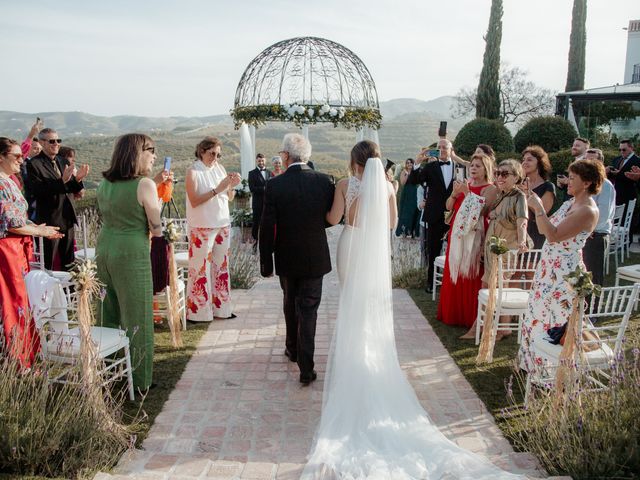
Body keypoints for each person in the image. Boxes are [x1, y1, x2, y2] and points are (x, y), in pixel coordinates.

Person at [302, 141, 524, 479]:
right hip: (374, 251)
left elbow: (333, 218)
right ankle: (371, 356)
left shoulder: (346, 185)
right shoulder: (389, 186)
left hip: (351, 244)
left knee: (351, 302)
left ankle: (353, 359)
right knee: (371, 303)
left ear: (354, 161)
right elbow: (391, 223)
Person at [259, 133, 334, 385]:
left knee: (290, 301)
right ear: (307, 156)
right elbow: (329, 218)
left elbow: (267, 227)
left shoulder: (275, 185)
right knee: (309, 310)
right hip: (315, 255)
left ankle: (292, 348)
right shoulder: (325, 182)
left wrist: (266, 263)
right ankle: (306, 367)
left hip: (286, 256)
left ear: (286, 156)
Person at [520, 159, 603, 372]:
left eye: (573, 178)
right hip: (548, 269)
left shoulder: (587, 211)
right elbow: (543, 229)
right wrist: (534, 205)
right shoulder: (569, 203)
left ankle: (554, 370)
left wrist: (538, 207)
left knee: (558, 317)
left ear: (586, 183)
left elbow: (554, 235)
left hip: (564, 274)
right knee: (538, 313)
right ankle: (532, 364)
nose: (568, 182)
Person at [96, 133, 163, 391]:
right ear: (137, 153)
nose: (154, 156)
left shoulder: (104, 183)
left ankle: (110, 369)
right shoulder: (145, 184)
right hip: (132, 252)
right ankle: (140, 378)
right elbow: (155, 228)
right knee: (137, 313)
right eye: (151, 150)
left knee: (107, 310)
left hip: (104, 249)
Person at [0, 137, 62, 369]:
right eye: (16, 156)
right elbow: (11, 224)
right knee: (13, 301)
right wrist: (41, 232)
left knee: (21, 300)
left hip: (17, 249)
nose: (21, 159)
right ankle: (17, 358)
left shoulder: (10, 180)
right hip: (7, 250)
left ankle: (26, 353)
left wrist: (39, 229)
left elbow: (19, 219)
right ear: (0, 157)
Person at [438, 153, 497, 333]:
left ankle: (470, 317)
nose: (473, 168)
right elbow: (448, 206)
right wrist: (455, 194)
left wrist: (466, 192)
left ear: (486, 168)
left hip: (475, 236)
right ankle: (452, 314)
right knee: (454, 271)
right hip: (457, 235)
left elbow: (482, 210)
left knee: (470, 273)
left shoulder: (490, 188)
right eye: (472, 165)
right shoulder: (465, 184)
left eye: (478, 166)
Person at [185, 137, 241, 322]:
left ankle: (222, 310)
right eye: (212, 154)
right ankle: (199, 313)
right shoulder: (193, 171)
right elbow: (194, 200)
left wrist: (231, 186)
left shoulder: (220, 169)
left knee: (221, 268)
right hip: (202, 227)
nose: (215, 158)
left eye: (218, 154)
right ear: (202, 151)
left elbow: (229, 197)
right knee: (199, 270)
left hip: (222, 224)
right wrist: (217, 189)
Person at [481, 159, 531, 340]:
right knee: (493, 283)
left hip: (506, 245)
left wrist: (522, 241)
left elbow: (522, 221)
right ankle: (501, 326)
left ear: (517, 177)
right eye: (498, 173)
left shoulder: (519, 197)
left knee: (500, 284)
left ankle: (499, 327)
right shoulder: (500, 195)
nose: (500, 177)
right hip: (492, 245)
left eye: (505, 174)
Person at [27, 128, 89, 270]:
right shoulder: (34, 164)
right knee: (47, 262)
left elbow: (71, 188)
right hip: (49, 220)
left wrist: (78, 179)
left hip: (67, 218)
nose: (56, 144)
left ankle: (70, 291)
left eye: (58, 141)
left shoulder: (62, 161)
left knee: (69, 261)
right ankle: (47, 291)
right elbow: (38, 191)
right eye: (52, 141)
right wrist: (62, 181)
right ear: (42, 142)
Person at [407, 139, 464, 293]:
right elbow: (413, 181)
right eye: (439, 147)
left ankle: (453, 283)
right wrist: (418, 163)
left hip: (455, 215)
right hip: (434, 215)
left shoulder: (460, 167)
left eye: (445, 147)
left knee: (456, 250)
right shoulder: (430, 167)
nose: (441, 149)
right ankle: (431, 283)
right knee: (433, 250)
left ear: (451, 149)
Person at [582, 148, 615, 291]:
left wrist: (587, 230)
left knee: (594, 276)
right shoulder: (586, 184)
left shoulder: (605, 185)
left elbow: (602, 215)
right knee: (583, 274)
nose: (588, 164)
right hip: (585, 234)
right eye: (586, 160)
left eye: (593, 160)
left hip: (596, 235)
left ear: (601, 163)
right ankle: (583, 309)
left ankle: (593, 310)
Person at [520, 146, 556, 249]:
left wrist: (527, 193)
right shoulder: (518, 185)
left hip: (536, 233)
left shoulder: (548, 186)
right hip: (518, 234)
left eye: (529, 160)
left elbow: (542, 211)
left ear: (539, 163)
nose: (525, 162)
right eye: (523, 160)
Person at [248, 153, 272, 243]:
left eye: (262, 160)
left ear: (265, 160)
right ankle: (254, 241)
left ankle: (267, 241)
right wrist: (264, 189)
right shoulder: (252, 173)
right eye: (259, 161)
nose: (261, 162)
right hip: (257, 203)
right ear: (256, 161)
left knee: (268, 222)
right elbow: (252, 188)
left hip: (268, 203)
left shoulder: (269, 173)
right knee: (256, 222)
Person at [395, 158, 420, 238]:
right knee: (406, 212)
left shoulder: (416, 171)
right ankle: (404, 231)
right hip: (407, 194)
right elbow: (402, 183)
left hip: (415, 193)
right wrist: (406, 175)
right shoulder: (403, 172)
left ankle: (413, 231)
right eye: (408, 163)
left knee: (414, 211)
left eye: (411, 163)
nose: (409, 164)